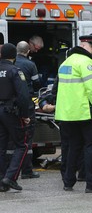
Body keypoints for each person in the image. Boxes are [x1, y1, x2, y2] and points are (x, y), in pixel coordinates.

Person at [55, 35, 92, 193]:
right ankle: (91, 184)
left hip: (67, 114)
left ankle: (68, 181)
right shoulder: (88, 63)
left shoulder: (66, 62)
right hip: (85, 114)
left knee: (72, 148)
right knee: (91, 147)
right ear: (86, 46)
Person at [0, 43, 31, 192]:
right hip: (10, 112)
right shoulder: (15, 71)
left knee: (1, 146)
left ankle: (1, 180)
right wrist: (25, 115)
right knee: (21, 144)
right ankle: (10, 177)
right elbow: (23, 96)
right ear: (13, 56)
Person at [15, 41, 41, 179]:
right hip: (28, 103)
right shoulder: (31, 65)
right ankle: (27, 170)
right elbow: (37, 84)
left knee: (10, 139)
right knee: (28, 137)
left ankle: (10, 170)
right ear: (28, 51)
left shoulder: (10, 64)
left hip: (12, 105)